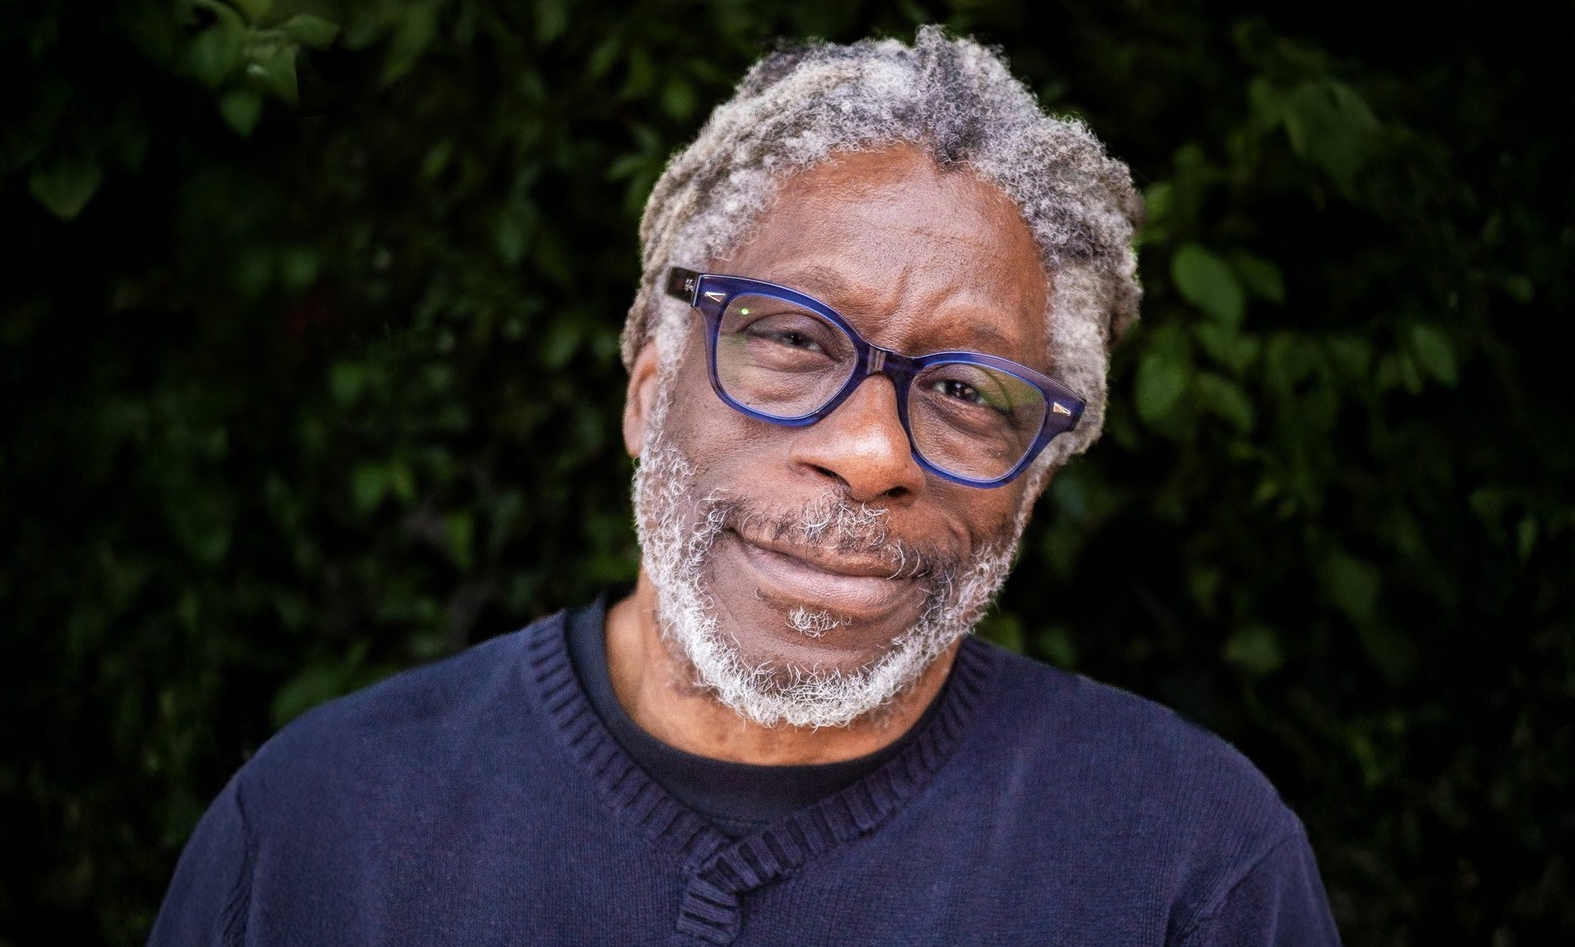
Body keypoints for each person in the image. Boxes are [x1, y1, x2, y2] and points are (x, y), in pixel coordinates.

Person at [149, 27, 1342, 946]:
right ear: (647, 384)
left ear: (1031, 484)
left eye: (972, 393)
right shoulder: (320, 829)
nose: (875, 453)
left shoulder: (1191, 864)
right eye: (797, 340)